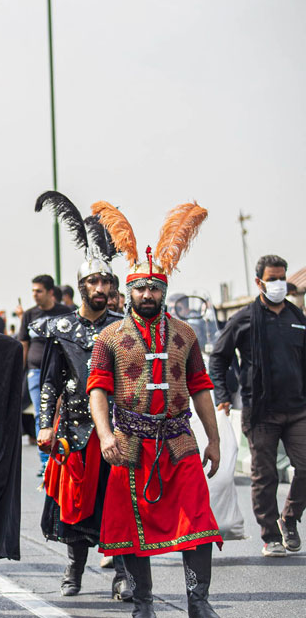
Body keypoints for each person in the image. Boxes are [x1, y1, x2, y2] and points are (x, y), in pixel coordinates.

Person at [86, 200, 221, 618]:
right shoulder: (108, 336)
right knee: (129, 530)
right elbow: (97, 390)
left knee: (198, 521)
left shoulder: (184, 334)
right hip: (129, 441)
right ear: (129, 291)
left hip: (178, 440)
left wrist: (213, 438)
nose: (148, 294)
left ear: (164, 290)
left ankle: (198, 603)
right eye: (141, 288)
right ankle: (143, 603)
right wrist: (106, 435)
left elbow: (200, 386)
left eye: (155, 288)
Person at [32, 191, 130, 601]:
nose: (102, 286)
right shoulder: (60, 329)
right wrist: (42, 425)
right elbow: (50, 381)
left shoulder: (124, 327)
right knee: (75, 506)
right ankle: (74, 569)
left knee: (120, 505)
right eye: (95, 280)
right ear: (81, 285)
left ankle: (123, 572)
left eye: (107, 280)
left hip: (118, 430)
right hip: (75, 429)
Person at [209, 254, 306, 557]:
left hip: (298, 408)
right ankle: (271, 535)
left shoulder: (297, 317)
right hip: (260, 411)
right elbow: (218, 358)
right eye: (272, 279)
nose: (278, 284)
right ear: (259, 281)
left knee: (304, 467)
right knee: (265, 476)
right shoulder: (244, 319)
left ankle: (289, 519)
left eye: (282, 278)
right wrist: (223, 394)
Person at [19, 275, 73, 475]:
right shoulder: (29, 315)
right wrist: (21, 371)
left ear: (51, 292)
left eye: (39, 291)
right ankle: (45, 463)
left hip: (60, 372)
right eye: (33, 291)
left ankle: (61, 455)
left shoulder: (65, 312)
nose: (35, 295)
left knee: (60, 414)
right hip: (35, 371)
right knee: (41, 415)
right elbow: (24, 343)